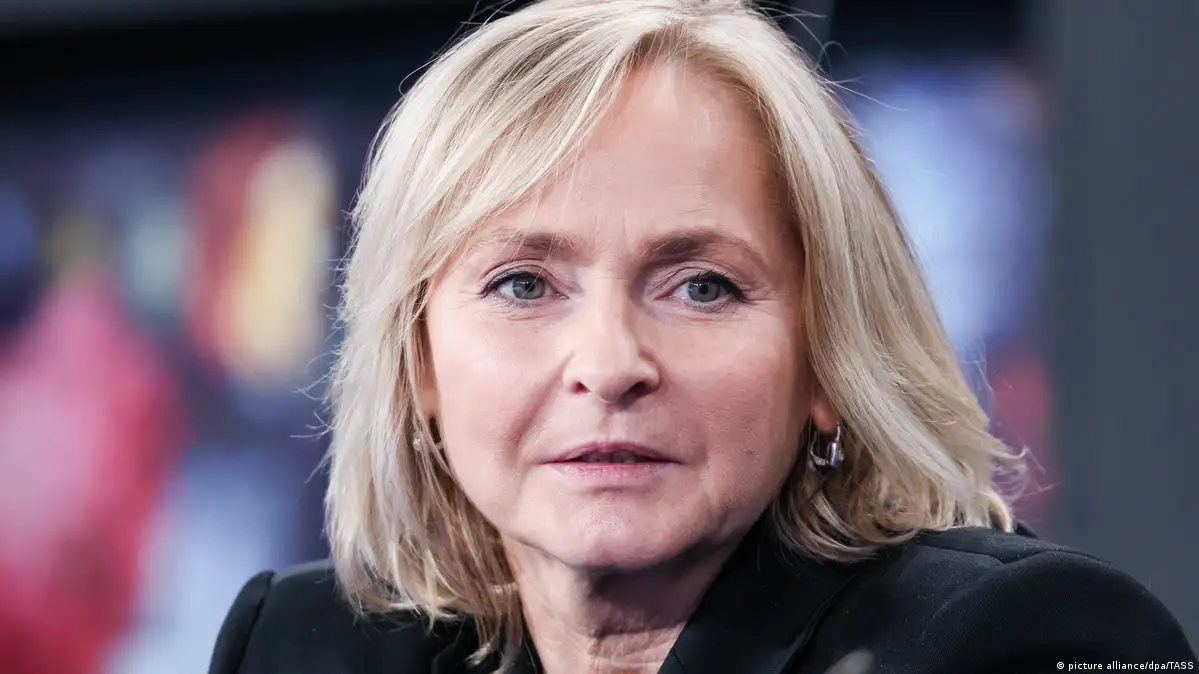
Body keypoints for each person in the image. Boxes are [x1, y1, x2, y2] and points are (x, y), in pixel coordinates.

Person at [208, 1, 1196, 673]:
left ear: (825, 360)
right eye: (522, 284)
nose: (607, 365)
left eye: (701, 286)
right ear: (417, 360)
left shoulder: (1016, 641)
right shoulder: (302, 645)